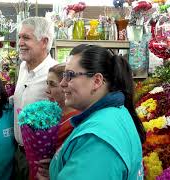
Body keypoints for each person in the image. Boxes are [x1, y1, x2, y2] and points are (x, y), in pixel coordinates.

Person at [49, 44, 145, 180]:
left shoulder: (98, 140)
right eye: (64, 75)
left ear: (97, 81)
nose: (62, 83)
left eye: (70, 75)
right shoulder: (114, 113)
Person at [13, 16, 58, 179]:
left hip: (42, 161)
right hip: (18, 153)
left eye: (26, 37)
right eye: (19, 37)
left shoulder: (55, 75)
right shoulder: (23, 68)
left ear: (44, 41)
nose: (20, 43)